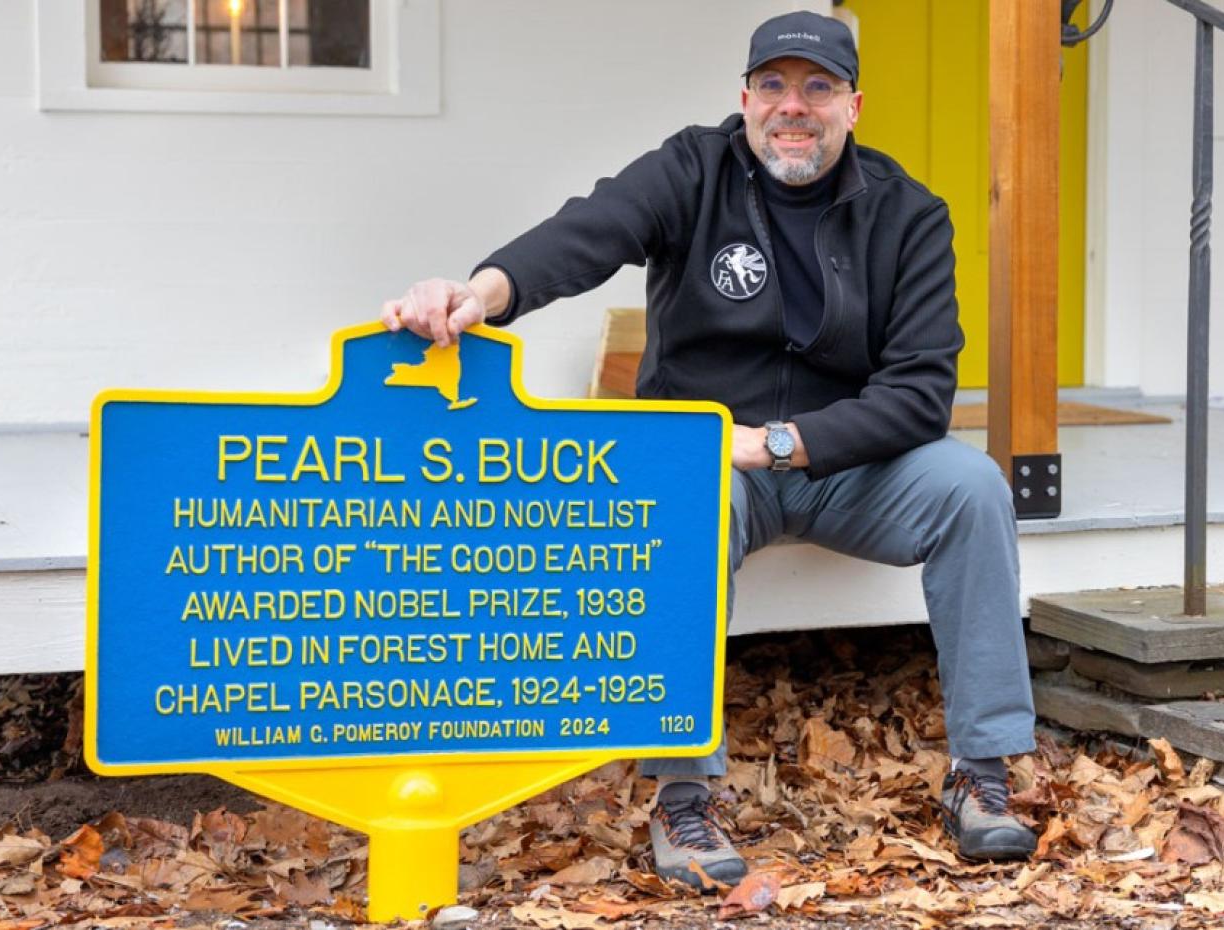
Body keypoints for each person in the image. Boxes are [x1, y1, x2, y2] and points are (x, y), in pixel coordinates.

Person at [381, 11, 1038, 888]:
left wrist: (777, 444)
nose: (792, 107)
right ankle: (684, 799)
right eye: (773, 86)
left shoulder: (910, 214)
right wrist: (481, 291)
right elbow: (587, 232)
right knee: (683, 510)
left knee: (974, 488)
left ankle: (983, 776)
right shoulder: (693, 168)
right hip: (706, 466)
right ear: (745, 98)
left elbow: (922, 393)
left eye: (818, 88)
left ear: (854, 106)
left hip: (845, 464)